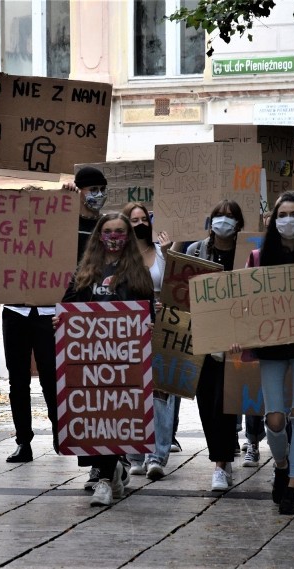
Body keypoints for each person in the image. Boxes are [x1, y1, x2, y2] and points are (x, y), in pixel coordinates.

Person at [59, 212, 155, 506]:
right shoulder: (85, 271)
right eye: (108, 231)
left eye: (120, 231)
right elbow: (68, 305)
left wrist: (149, 322)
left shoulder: (138, 274)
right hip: (90, 360)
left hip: (124, 360)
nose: (114, 236)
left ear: (127, 237)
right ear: (99, 236)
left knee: (116, 416)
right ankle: (109, 475)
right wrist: (61, 321)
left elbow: (148, 311)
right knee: (95, 417)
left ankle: (105, 477)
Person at [0, 159, 65, 464]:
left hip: (46, 312)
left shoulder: (56, 235)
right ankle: (23, 442)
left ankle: (61, 432)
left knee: (51, 378)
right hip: (15, 311)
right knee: (17, 380)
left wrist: (70, 195)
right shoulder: (7, 235)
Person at [246, 191, 294, 515]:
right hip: (272, 346)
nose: (288, 220)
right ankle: (280, 465)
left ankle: (293, 484)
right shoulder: (258, 257)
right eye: (282, 214)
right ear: (273, 219)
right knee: (275, 419)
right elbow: (242, 304)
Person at [186, 200, 244, 492]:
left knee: (225, 402)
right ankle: (222, 454)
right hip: (203, 339)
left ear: (239, 224)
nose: (224, 221)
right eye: (219, 215)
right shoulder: (195, 252)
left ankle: (220, 465)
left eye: (230, 216)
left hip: (236, 340)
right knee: (207, 403)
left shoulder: (248, 254)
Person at [120, 202, 175, 480]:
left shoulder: (162, 252)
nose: (140, 223)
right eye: (134, 219)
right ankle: (134, 455)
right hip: (130, 326)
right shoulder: (120, 256)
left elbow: (172, 285)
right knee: (133, 390)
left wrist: (168, 252)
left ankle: (158, 455)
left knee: (162, 392)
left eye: (144, 219)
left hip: (162, 324)